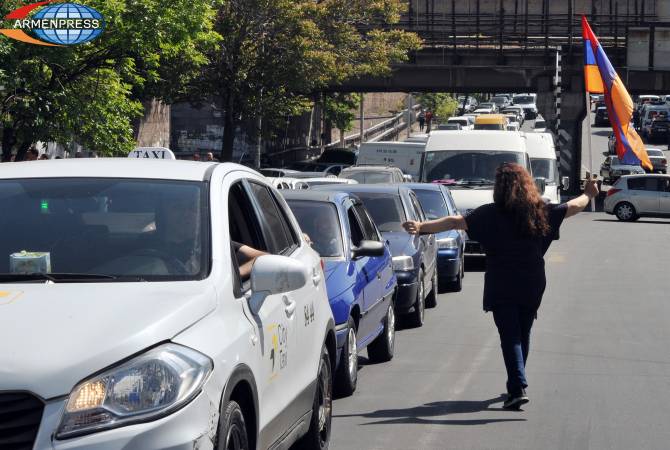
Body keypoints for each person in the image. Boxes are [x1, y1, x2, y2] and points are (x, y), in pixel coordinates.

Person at [402, 163, 599, 410]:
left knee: (510, 335)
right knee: (522, 332)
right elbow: (573, 206)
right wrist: (590, 194)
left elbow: (454, 222)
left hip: (501, 281)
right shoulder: (540, 212)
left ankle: (517, 386)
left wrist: (421, 228)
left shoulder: (488, 214)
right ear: (527, 185)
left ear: (499, 189)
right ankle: (516, 384)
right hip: (532, 280)